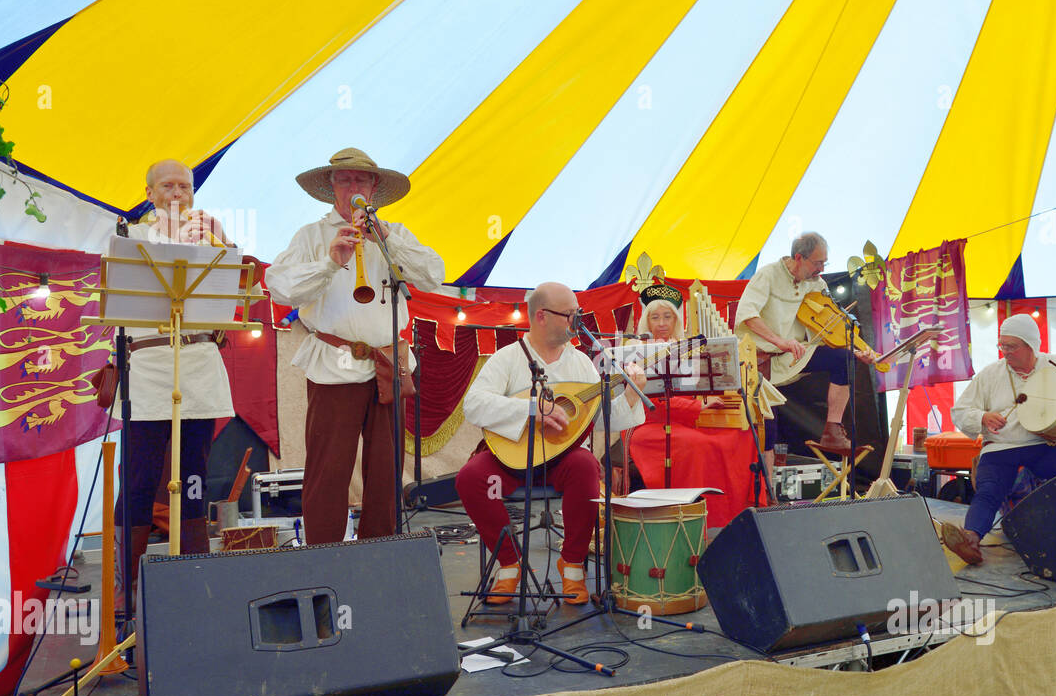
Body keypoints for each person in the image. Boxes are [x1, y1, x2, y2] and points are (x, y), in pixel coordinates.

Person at [264, 148, 444, 544]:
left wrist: (387, 240)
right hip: (336, 362)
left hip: (389, 362)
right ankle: (324, 554)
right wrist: (330, 262)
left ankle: (379, 552)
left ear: (374, 187)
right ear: (331, 186)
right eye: (344, 180)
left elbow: (433, 276)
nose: (353, 187)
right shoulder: (311, 236)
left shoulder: (394, 234)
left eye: (361, 180)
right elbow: (280, 287)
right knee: (330, 468)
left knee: (386, 469)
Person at [458, 282, 647, 605]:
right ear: (541, 316)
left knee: (586, 466)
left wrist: (630, 394)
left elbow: (597, 419)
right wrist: (532, 408)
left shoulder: (581, 364)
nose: (578, 322)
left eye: (579, 314)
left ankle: (572, 567)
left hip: (561, 463)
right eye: (570, 315)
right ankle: (509, 564)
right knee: (472, 478)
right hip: (510, 461)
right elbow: (473, 405)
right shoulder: (508, 358)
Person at [115, 159, 235, 604]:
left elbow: (233, 294)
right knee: (140, 475)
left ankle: (193, 577)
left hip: (198, 362)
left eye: (185, 186)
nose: (179, 193)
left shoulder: (211, 235)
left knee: (194, 475)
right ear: (149, 193)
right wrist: (171, 239)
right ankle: (126, 588)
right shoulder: (130, 238)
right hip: (148, 367)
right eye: (168, 186)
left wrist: (220, 240)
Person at [943, 313, 1056, 565]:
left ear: (1030, 345)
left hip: (1042, 446)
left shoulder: (1055, 364)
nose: (1005, 352)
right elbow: (959, 411)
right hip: (1001, 448)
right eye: (1002, 345)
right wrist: (983, 417)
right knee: (989, 488)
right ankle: (970, 539)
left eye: (1012, 346)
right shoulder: (990, 374)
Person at [624, 286, 756, 528]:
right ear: (646, 320)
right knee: (700, 445)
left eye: (668, 316)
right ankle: (700, 517)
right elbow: (651, 401)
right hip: (648, 424)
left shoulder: (689, 346)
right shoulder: (636, 348)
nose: (662, 323)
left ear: (676, 319)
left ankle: (736, 515)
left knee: (740, 434)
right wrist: (698, 407)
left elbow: (703, 385)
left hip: (687, 419)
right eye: (655, 317)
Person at [734, 231, 876, 452]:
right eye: (818, 263)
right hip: (759, 364)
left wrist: (858, 350)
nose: (821, 269)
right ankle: (766, 485)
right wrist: (779, 341)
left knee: (844, 359)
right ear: (799, 258)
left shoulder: (816, 283)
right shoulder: (768, 275)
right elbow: (747, 315)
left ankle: (833, 432)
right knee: (767, 435)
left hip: (794, 355)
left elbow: (831, 326)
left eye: (824, 263)